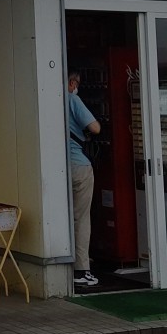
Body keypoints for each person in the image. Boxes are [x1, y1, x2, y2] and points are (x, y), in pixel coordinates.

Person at [67, 70, 101, 288]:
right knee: (81, 218)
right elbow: (95, 128)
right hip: (79, 165)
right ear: (72, 83)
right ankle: (81, 270)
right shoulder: (72, 98)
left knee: (64, 217)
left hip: (58, 167)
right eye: (77, 83)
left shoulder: (48, 99)